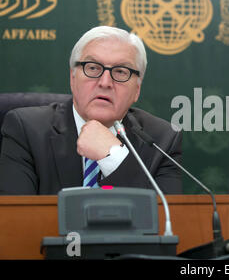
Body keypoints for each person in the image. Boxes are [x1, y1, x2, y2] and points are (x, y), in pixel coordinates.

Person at [0, 26, 183, 195]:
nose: (105, 83)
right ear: (73, 78)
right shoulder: (27, 130)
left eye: (120, 72)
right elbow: (16, 222)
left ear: (137, 89)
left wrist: (114, 157)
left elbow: (164, 220)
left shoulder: (162, 140)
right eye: (93, 68)